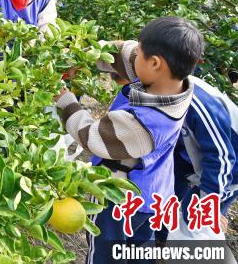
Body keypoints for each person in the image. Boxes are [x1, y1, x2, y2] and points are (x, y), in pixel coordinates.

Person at [54, 16, 204, 264]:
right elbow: (125, 53)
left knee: (105, 254)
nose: (136, 54)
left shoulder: (144, 123)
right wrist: (84, 54)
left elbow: (92, 137)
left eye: (142, 52)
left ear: (155, 63)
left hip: (118, 199)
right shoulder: (174, 84)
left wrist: (66, 101)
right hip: (154, 195)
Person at [103, 42, 238, 240]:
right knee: (167, 205)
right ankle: (161, 241)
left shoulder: (196, 103)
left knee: (196, 222)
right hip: (188, 158)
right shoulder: (155, 87)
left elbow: (222, 157)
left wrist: (210, 202)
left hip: (231, 166)